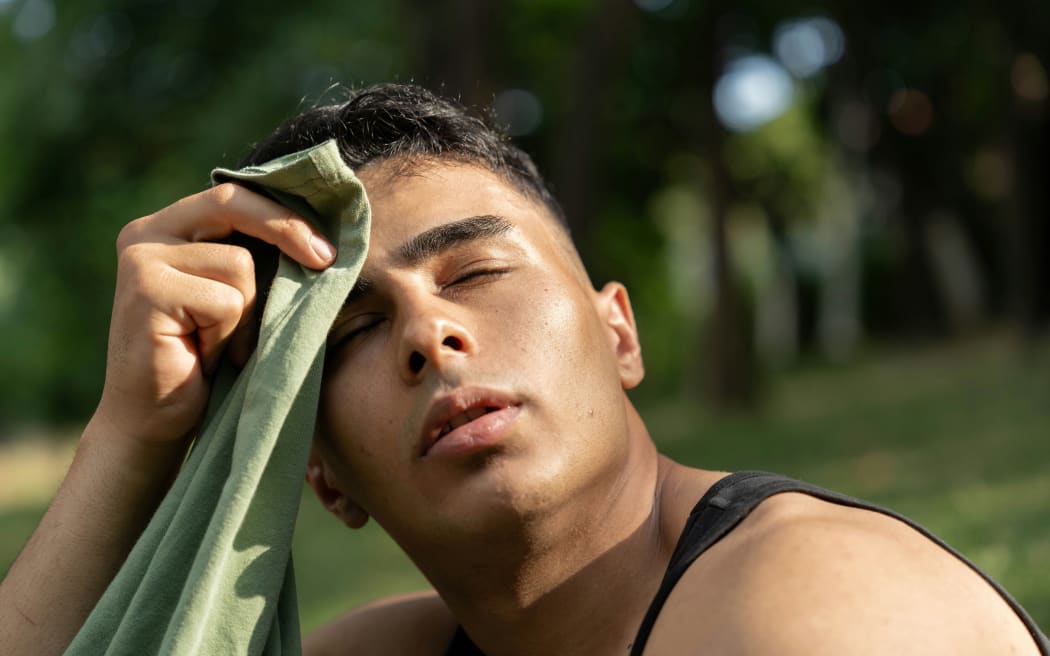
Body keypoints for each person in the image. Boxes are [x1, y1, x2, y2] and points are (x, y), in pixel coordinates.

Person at [0, 83, 1046, 656]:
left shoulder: (812, 606)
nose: (429, 334)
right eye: (354, 330)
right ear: (323, 477)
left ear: (619, 333)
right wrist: (129, 437)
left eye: (478, 267)